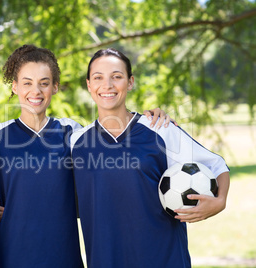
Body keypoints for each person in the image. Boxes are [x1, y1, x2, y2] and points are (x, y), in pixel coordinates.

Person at [0, 44, 173, 268]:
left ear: (55, 87)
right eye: (27, 83)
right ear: (15, 86)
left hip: (63, 254)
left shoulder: (72, 134)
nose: (35, 91)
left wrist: (151, 117)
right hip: (11, 254)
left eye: (44, 83)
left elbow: (112, 162)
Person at [70, 48, 230, 267]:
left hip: (164, 258)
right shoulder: (75, 142)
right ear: (89, 85)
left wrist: (219, 202)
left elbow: (217, 165)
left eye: (116, 77)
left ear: (130, 81)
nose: (107, 85)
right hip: (106, 259)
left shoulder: (159, 129)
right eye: (98, 77)